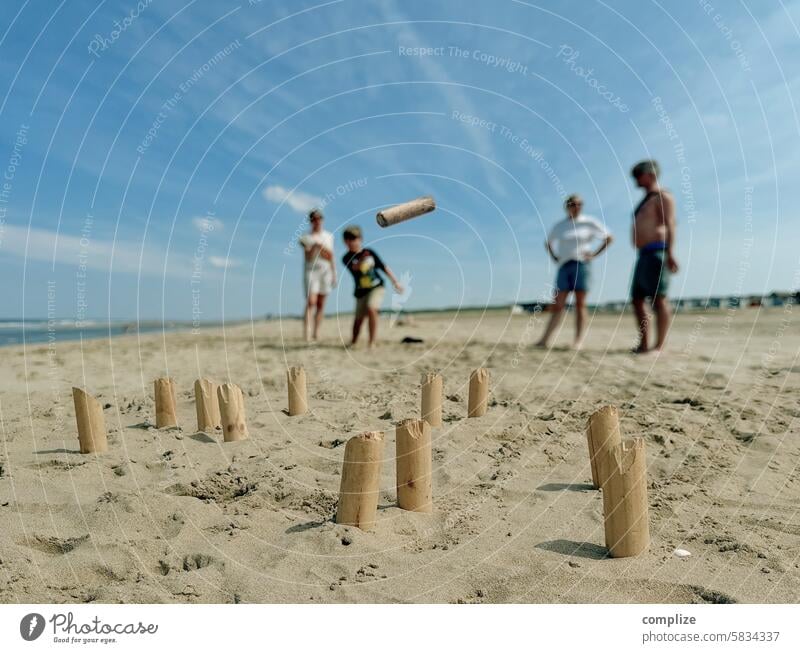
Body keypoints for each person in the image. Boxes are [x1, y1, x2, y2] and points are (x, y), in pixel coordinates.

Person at [535, 194, 613, 349]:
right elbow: (548, 243)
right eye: (573, 204)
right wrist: (554, 256)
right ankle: (544, 340)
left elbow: (609, 237)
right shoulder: (560, 226)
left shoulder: (589, 222)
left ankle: (578, 341)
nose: (576, 207)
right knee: (558, 304)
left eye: (579, 204)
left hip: (581, 265)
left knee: (580, 303)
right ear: (567, 206)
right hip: (564, 266)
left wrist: (594, 254)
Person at [629, 159, 679, 354]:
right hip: (643, 255)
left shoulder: (662, 196)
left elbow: (671, 224)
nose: (635, 180)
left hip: (658, 252)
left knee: (659, 298)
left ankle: (659, 346)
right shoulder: (644, 201)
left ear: (650, 174)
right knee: (637, 299)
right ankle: (644, 344)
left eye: (638, 175)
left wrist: (671, 253)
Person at [341, 225, 403, 348]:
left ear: (360, 238)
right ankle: (353, 341)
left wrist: (395, 282)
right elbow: (354, 267)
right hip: (360, 291)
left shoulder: (370, 252)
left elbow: (383, 267)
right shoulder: (346, 258)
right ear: (345, 241)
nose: (351, 241)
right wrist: (360, 263)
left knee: (372, 309)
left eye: (354, 238)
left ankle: (372, 342)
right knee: (358, 320)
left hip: (376, 287)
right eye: (348, 238)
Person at [299, 208, 336, 342]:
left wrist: (334, 274)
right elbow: (308, 257)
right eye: (314, 219)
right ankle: (306, 334)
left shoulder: (329, 236)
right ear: (311, 221)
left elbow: (330, 256)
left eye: (319, 218)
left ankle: (316, 333)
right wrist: (314, 247)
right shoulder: (306, 237)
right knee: (311, 302)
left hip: (325, 271)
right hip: (311, 271)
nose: (317, 221)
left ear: (322, 220)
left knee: (321, 304)